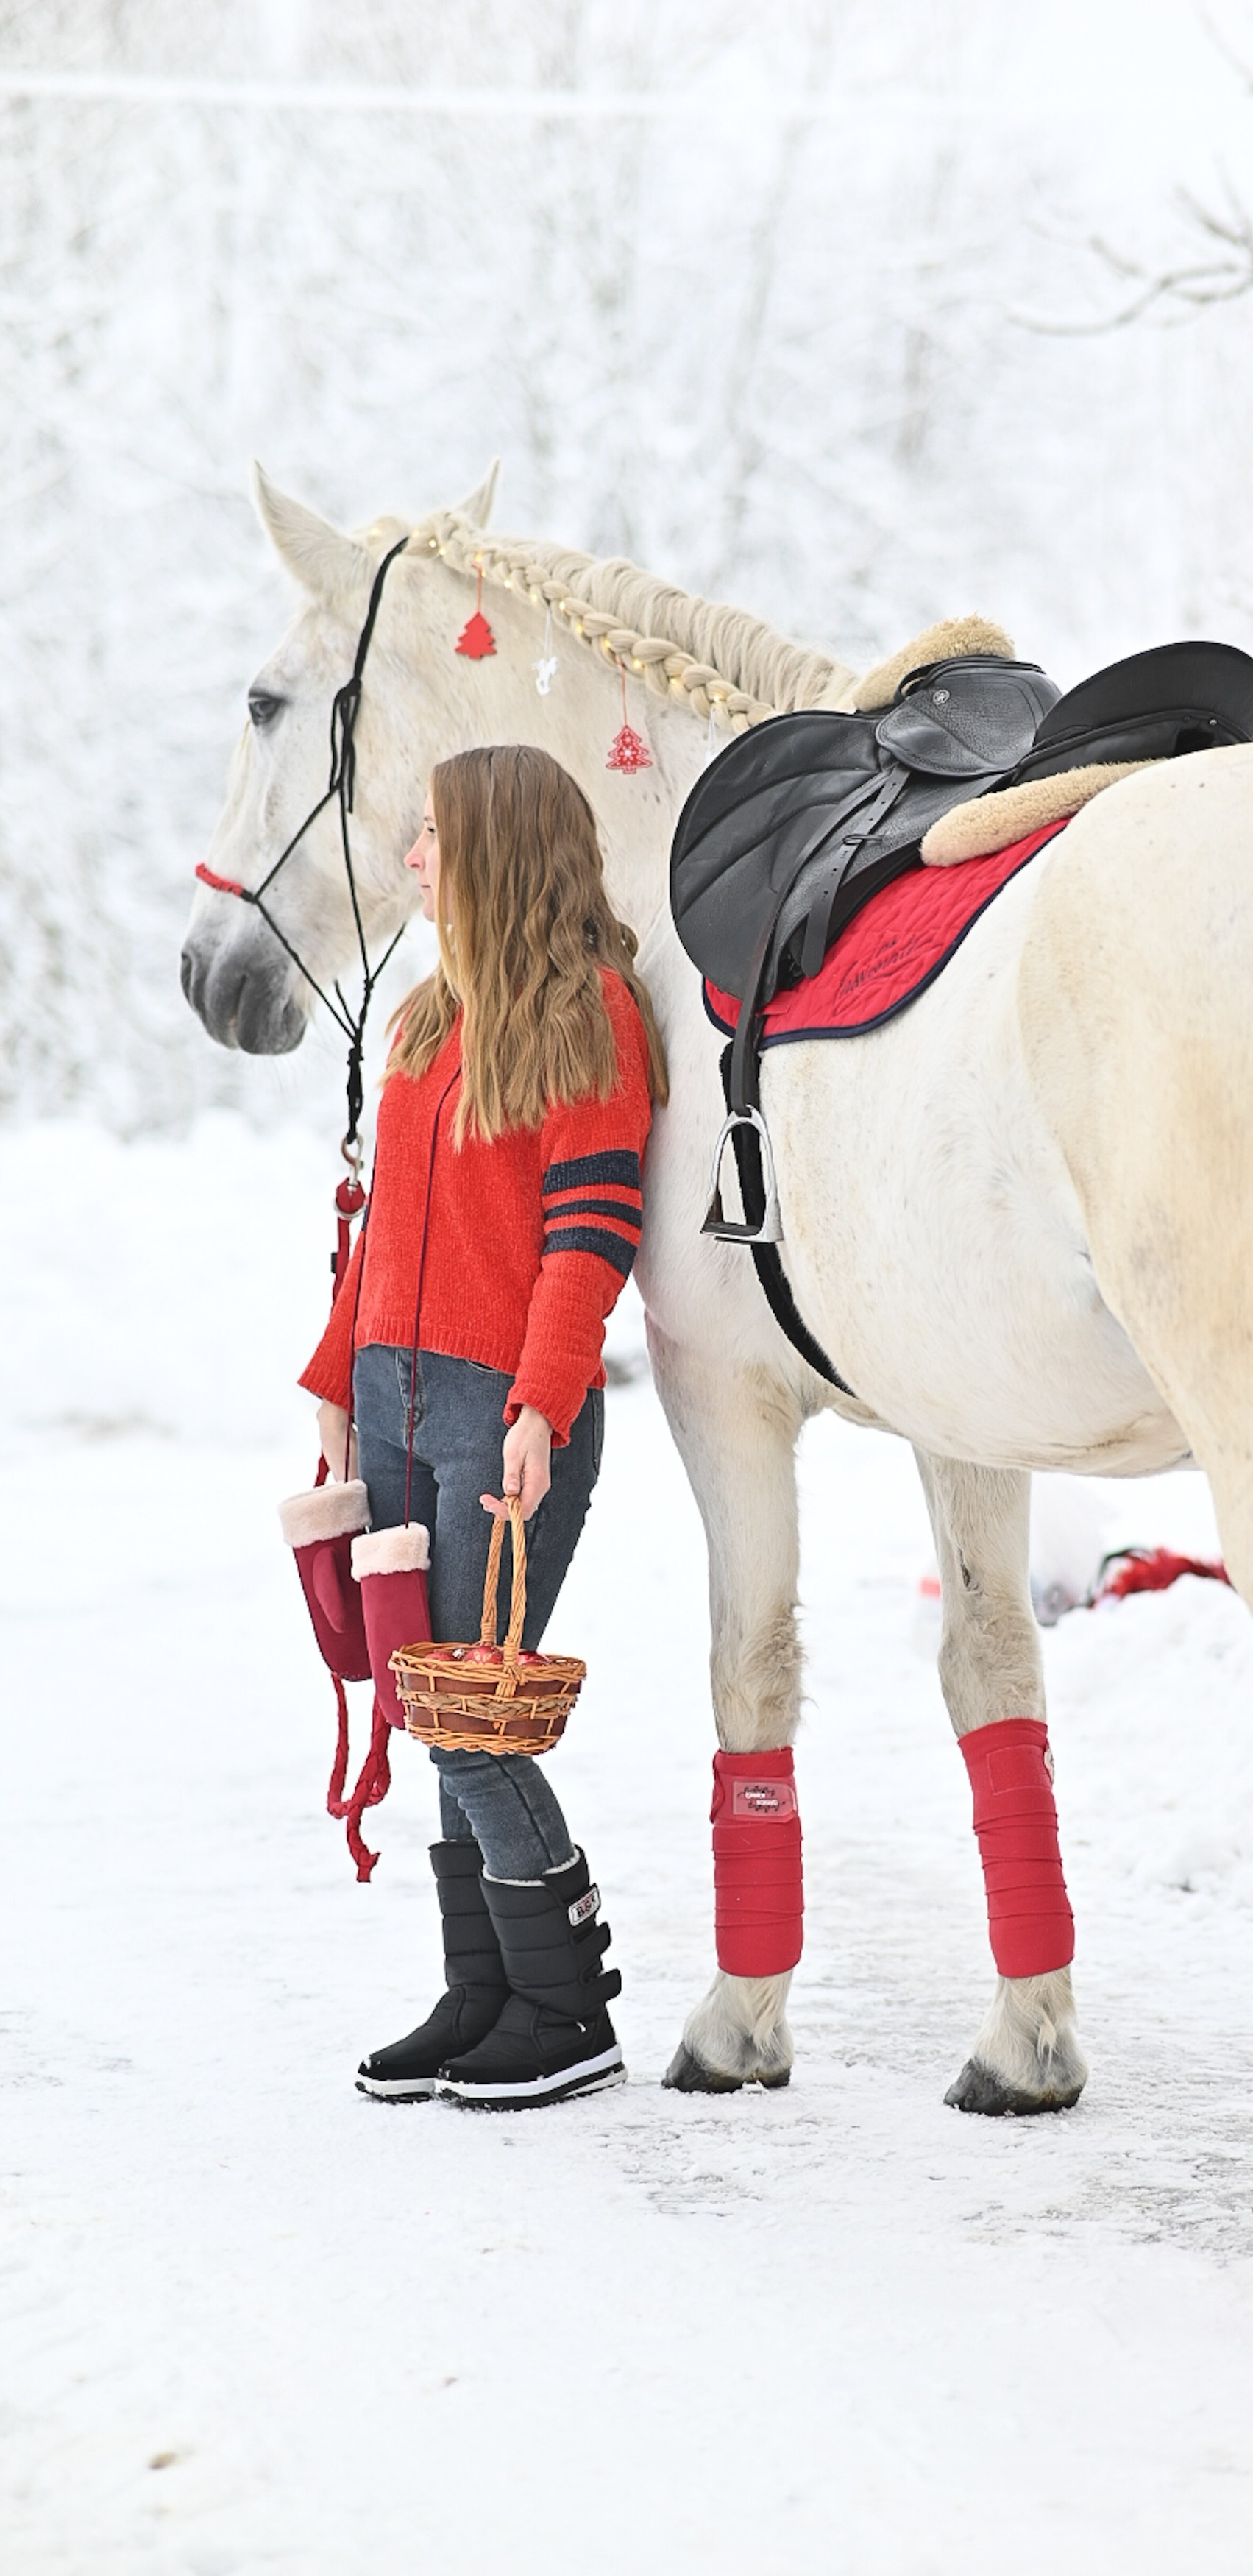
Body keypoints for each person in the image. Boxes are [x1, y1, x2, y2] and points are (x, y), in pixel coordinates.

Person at [301, 743, 666, 2109]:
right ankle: (482, 1992)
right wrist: (335, 1378)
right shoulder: (423, 1018)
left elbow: (589, 1236)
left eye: (433, 836)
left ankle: (567, 2007)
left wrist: (542, 1404)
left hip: (503, 1414)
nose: (411, 857)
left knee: (470, 1713)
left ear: (498, 848)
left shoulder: (591, 1019)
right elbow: (380, 1230)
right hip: (393, 1395)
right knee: (421, 1696)